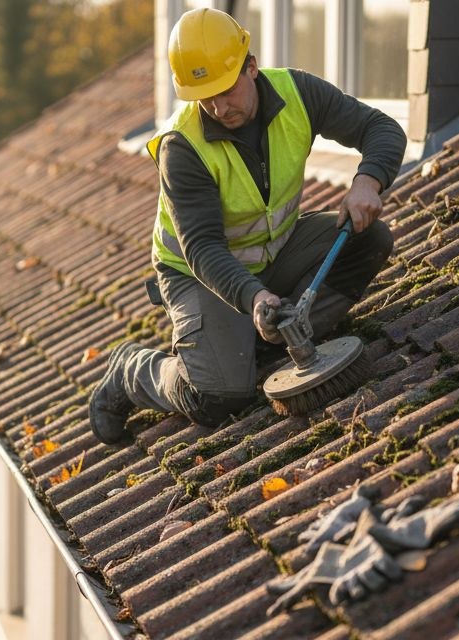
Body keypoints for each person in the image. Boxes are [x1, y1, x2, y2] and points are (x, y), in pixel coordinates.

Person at [88, 7, 405, 444]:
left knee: (369, 238)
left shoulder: (299, 92)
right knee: (218, 396)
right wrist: (254, 297)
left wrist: (368, 180)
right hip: (199, 275)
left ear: (251, 67)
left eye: (225, 89)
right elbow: (201, 249)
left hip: (276, 251)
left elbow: (380, 127)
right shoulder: (181, 148)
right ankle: (132, 370)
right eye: (205, 97)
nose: (218, 106)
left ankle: (267, 339)